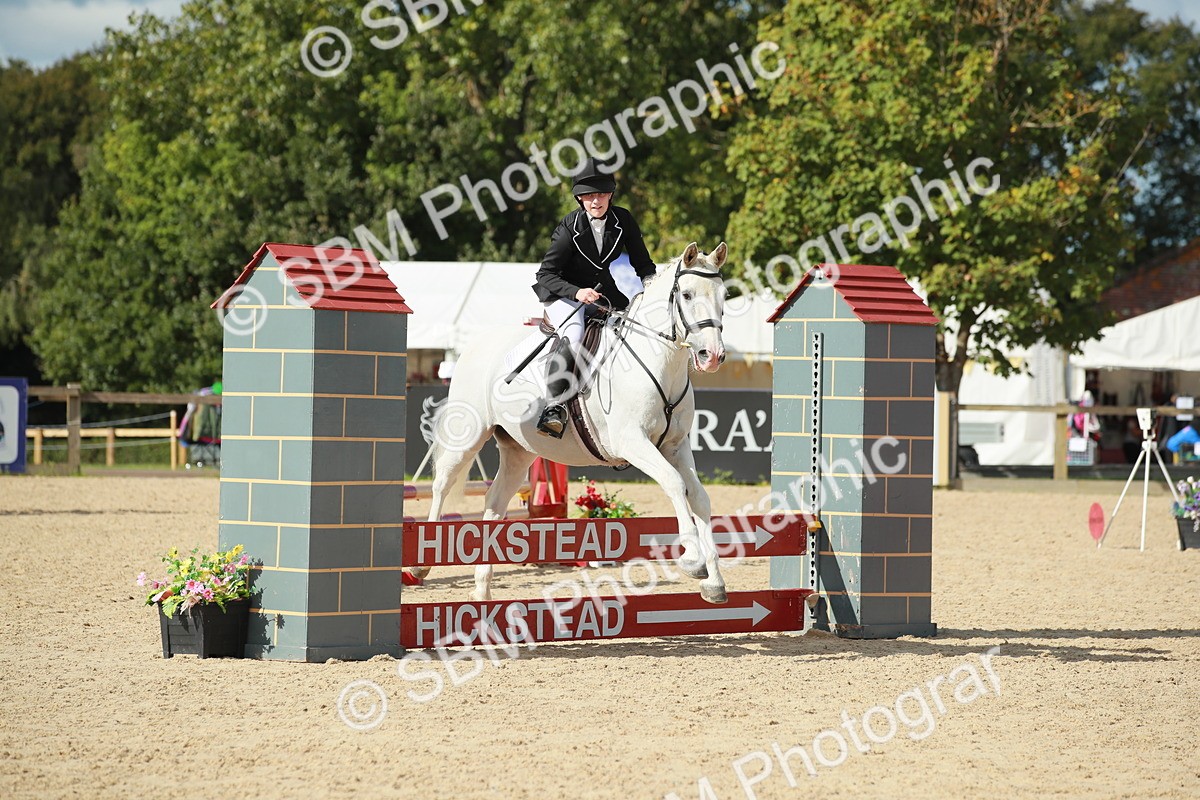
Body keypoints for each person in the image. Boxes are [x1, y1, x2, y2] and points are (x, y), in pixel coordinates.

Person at [530, 157, 657, 437]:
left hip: (601, 289)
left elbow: (643, 264)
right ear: (580, 198)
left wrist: (653, 286)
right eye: (588, 195)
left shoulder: (623, 220)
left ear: (610, 195)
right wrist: (577, 292)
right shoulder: (568, 228)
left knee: (633, 324)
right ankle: (554, 407)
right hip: (562, 292)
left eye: (600, 194)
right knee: (574, 333)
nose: (595, 201)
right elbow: (545, 275)